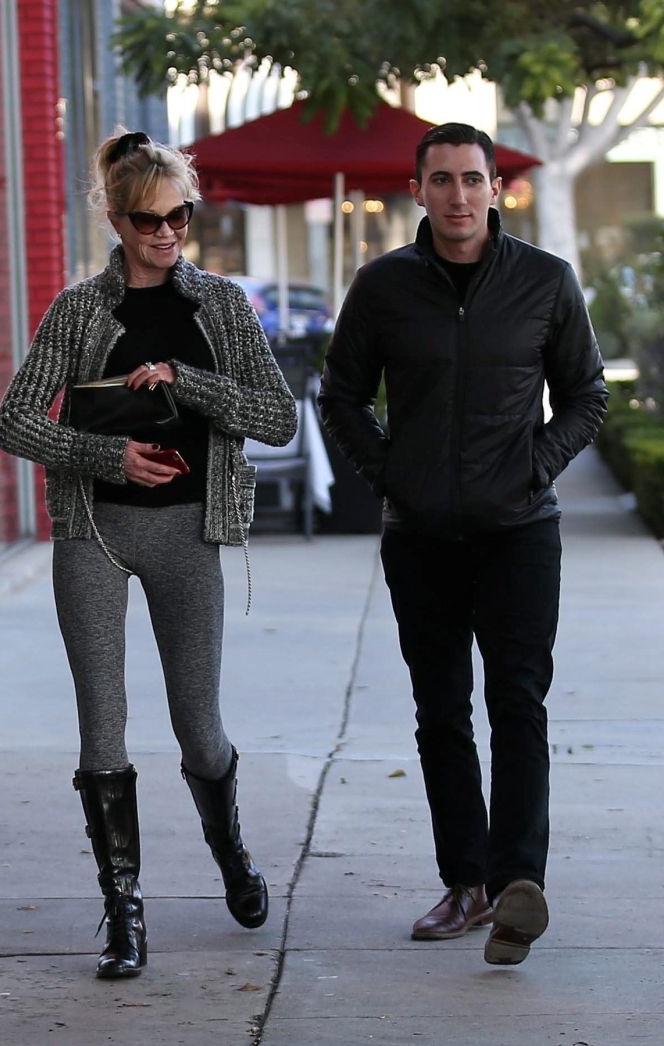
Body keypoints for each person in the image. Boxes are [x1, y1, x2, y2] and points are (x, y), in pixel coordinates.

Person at [0, 129, 297, 979]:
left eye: (180, 216)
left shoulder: (222, 307)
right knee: (102, 722)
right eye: (147, 220)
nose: (166, 234)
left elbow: (278, 418)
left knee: (198, 727)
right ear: (115, 220)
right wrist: (108, 456)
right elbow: (15, 420)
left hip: (187, 532)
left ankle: (229, 851)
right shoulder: (77, 310)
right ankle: (124, 912)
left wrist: (183, 379)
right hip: (94, 530)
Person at [318, 122, 607, 965]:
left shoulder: (544, 282)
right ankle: (465, 882)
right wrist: (391, 476)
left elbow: (586, 395)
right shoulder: (383, 286)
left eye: (472, 179)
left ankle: (518, 888)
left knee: (518, 704)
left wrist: (533, 469)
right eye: (440, 179)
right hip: (420, 538)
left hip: (520, 533)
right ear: (418, 191)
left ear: (495, 189)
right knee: (441, 712)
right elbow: (341, 396)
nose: (457, 195)